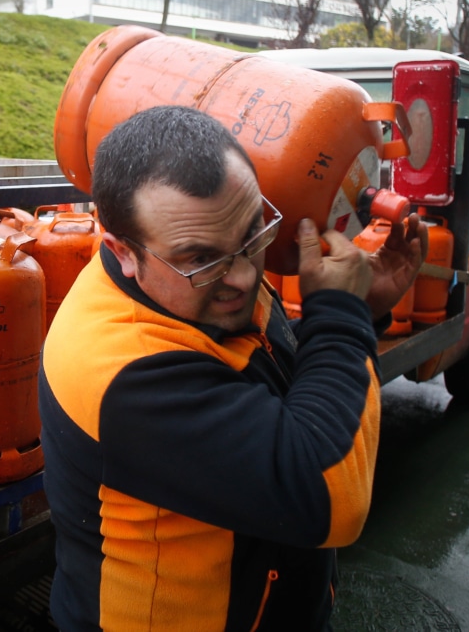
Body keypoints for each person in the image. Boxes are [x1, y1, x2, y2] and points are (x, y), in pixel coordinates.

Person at [39, 105, 426, 631]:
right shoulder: (125, 371)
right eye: (201, 259)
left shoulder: (192, 285)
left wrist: (365, 310)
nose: (243, 278)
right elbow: (330, 491)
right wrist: (341, 316)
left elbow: (282, 382)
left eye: (252, 235)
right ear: (122, 251)